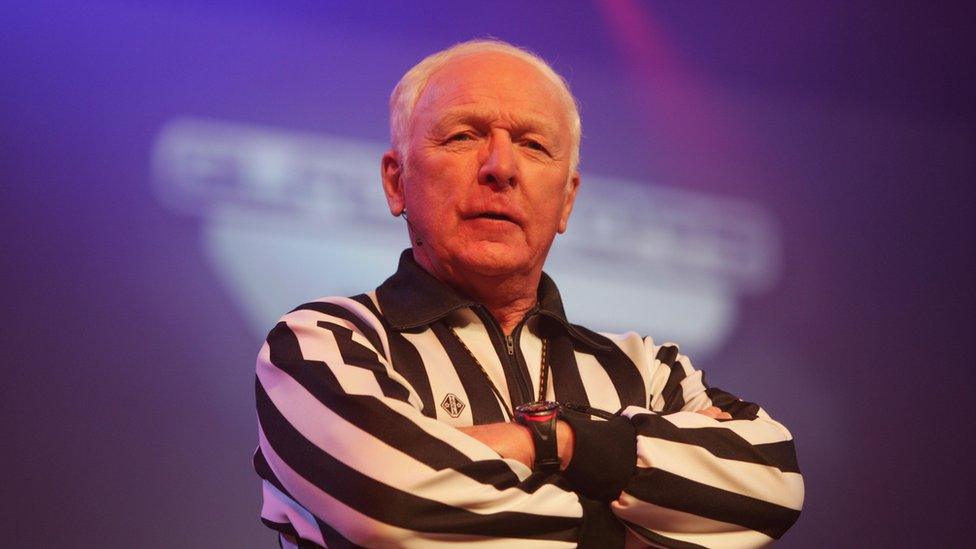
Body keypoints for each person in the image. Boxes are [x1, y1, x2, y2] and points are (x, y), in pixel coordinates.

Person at [253, 39, 803, 548]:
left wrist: (551, 442)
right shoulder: (323, 344)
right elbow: (389, 506)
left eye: (534, 145)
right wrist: (635, 511)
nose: (500, 168)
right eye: (463, 136)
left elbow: (772, 480)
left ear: (567, 200)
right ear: (398, 181)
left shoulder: (647, 368)